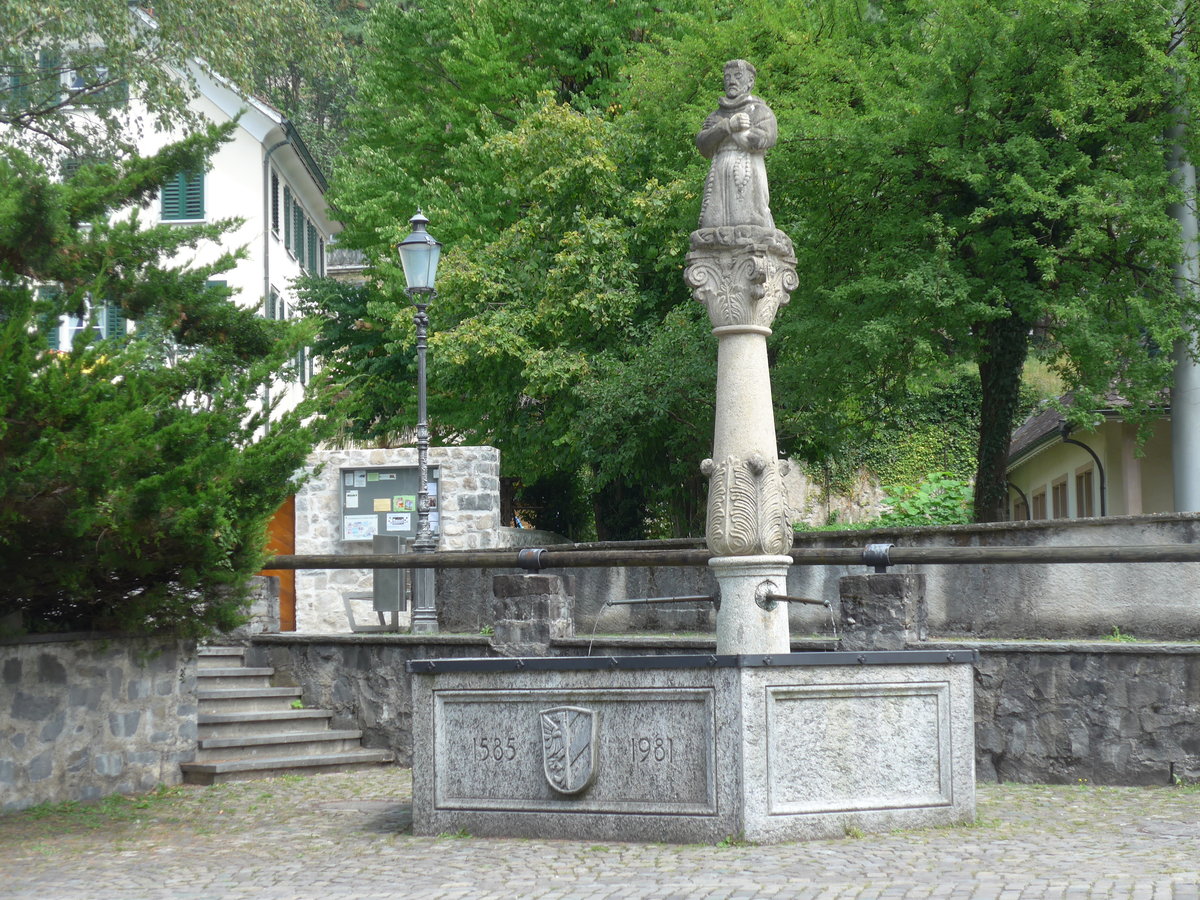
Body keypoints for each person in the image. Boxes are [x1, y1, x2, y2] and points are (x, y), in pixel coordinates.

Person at [696, 59, 777, 230]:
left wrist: (740, 133)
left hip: (748, 168)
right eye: (727, 77)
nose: (732, 81)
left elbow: (766, 138)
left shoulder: (760, 110)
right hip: (719, 168)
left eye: (738, 76)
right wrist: (726, 126)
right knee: (714, 222)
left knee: (750, 220)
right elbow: (703, 144)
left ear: (750, 81)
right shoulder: (715, 115)